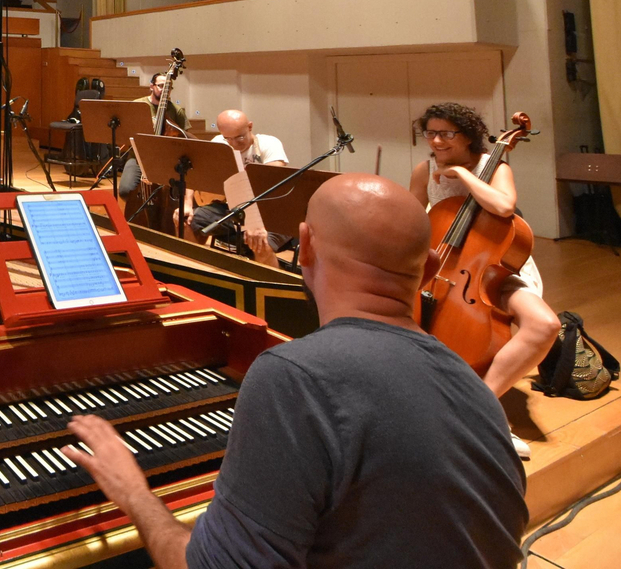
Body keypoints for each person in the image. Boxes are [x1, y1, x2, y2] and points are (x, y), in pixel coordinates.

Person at [66, 174, 527, 569]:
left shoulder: (296, 377)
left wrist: (134, 492)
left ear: (304, 246)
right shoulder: (474, 384)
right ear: (429, 269)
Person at [410, 101, 559, 458]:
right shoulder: (424, 170)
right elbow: (413, 220)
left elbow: (504, 207)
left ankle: (480, 406)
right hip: (440, 270)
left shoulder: (494, 166)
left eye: (447, 133)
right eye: (431, 133)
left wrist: (462, 176)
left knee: (545, 325)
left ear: (468, 136)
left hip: (493, 269)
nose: (437, 141)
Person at [188, 109, 291, 261]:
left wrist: (253, 222)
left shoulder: (269, 144)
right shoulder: (219, 143)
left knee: (260, 241)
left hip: (269, 209)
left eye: (239, 137)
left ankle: (264, 276)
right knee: (189, 220)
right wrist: (186, 204)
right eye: (228, 138)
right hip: (234, 207)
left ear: (250, 126)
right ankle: (196, 267)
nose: (234, 144)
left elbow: (270, 184)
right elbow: (194, 173)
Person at [117, 71, 189, 205]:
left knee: (169, 193)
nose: (165, 90)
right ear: (152, 86)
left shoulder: (176, 111)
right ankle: (139, 212)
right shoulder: (137, 105)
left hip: (165, 160)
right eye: (161, 86)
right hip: (138, 157)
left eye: (168, 87)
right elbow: (126, 131)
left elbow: (185, 138)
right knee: (125, 190)